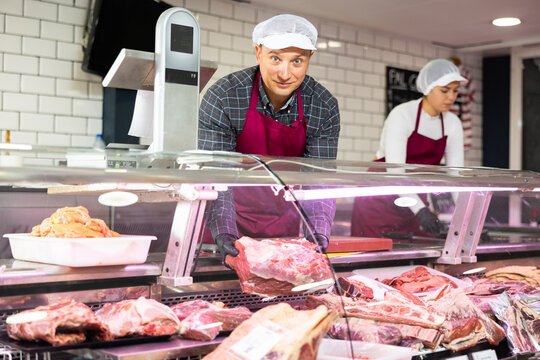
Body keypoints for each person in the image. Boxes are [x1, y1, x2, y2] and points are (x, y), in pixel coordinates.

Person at [198, 14, 340, 262]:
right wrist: (225, 233)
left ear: (309, 59)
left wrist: (317, 234)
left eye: (297, 61)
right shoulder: (225, 96)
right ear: (258, 53)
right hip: (226, 225)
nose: (285, 73)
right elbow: (216, 175)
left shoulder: (323, 105)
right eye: (275, 58)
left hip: (283, 231)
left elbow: (319, 179)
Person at [351, 59, 465, 238]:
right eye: (444, 90)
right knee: (375, 255)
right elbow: (395, 172)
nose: (451, 97)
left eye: (455, 90)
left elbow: (455, 176)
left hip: (413, 198)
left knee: (417, 254)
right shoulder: (402, 115)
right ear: (428, 87)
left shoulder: (453, 123)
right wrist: (419, 210)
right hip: (380, 199)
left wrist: (464, 217)